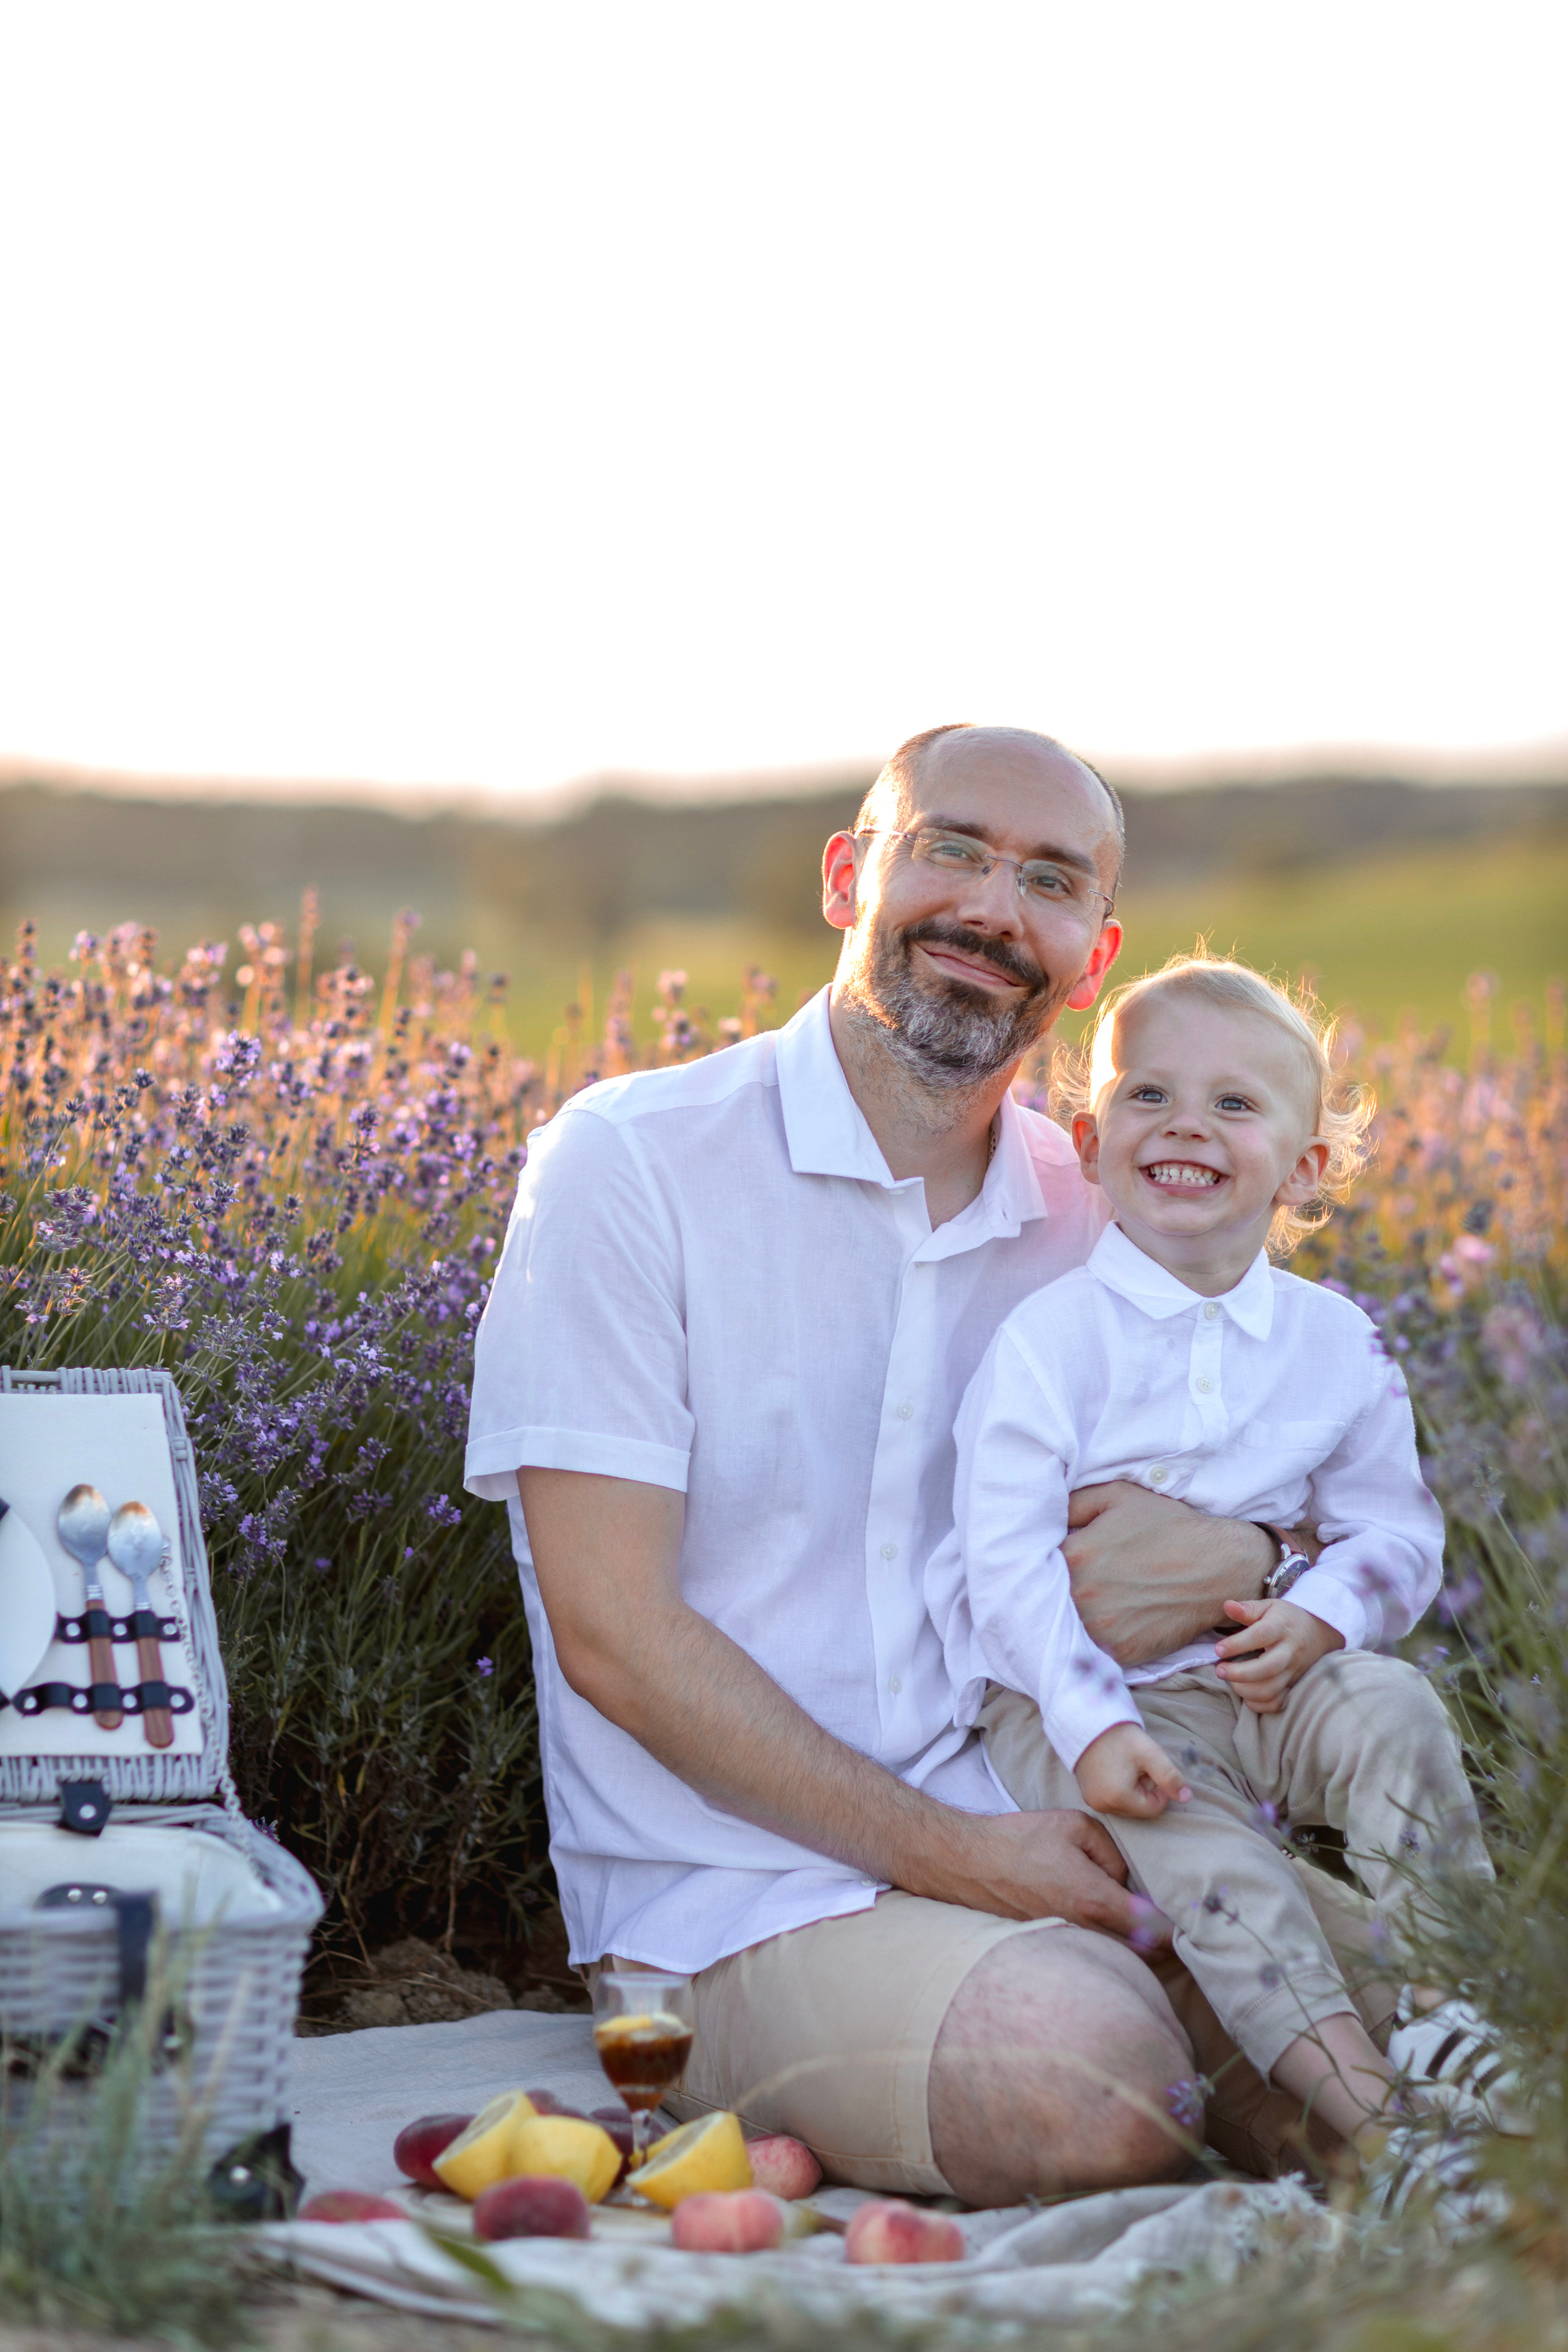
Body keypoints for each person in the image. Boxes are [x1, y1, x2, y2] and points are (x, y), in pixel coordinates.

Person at [465, 722, 1389, 2204]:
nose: (989, 908)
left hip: (1065, 1817)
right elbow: (614, 1638)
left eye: (1048, 879)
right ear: (848, 877)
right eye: (947, 849)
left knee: (1467, 2032)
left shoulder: (1099, 1222)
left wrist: (1256, 1568)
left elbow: (1280, 1511)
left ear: (1093, 953)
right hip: (736, 1897)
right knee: (1093, 2072)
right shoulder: (631, 1169)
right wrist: (967, 1858)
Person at [925, 952, 1503, 2169]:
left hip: (1256, 1675)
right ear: (1087, 1140)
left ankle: (1457, 2009)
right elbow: (1005, 1570)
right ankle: (1385, 2129)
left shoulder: (1337, 1340)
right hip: (1068, 1700)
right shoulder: (1049, 1343)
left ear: (1303, 1169)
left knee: (1391, 1704)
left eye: (1233, 1103)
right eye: (1148, 1095)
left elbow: (1396, 1535)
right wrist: (1090, 1723)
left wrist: (1323, 1616)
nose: (1184, 1121)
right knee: (1217, 1865)